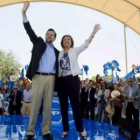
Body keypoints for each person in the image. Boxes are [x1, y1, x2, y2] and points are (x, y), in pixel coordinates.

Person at [22, 2, 59, 140]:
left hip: (51, 78)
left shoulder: (57, 52)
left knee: (48, 106)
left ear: (55, 38)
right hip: (38, 77)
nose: (49, 36)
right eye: (47, 34)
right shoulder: (38, 42)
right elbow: (29, 29)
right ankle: (30, 132)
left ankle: (46, 131)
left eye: (51, 35)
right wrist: (24, 13)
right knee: (35, 105)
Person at [58, 24, 101, 139]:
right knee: (63, 107)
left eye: (69, 39)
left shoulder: (74, 51)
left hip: (72, 80)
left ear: (71, 42)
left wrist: (93, 33)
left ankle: (81, 130)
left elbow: (86, 44)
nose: (66, 41)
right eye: (64, 39)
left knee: (76, 105)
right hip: (61, 80)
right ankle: (65, 129)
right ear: (62, 42)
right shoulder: (59, 53)